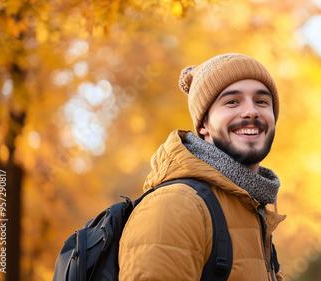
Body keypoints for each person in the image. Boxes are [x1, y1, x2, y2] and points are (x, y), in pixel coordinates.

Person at [119, 53, 286, 281]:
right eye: (232, 102)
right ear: (204, 124)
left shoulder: (253, 212)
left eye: (262, 101)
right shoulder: (177, 205)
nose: (251, 111)